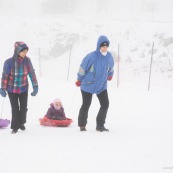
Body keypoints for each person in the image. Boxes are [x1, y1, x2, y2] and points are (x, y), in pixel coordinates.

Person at [75, 35, 114, 132]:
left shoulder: (109, 56)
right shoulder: (91, 56)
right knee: (86, 104)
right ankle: (82, 125)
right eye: (103, 46)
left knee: (105, 104)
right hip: (88, 84)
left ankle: (100, 125)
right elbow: (82, 68)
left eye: (106, 46)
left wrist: (110, 74)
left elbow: (111, 67)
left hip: (101, 85)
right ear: (98, 46)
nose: (104, 48)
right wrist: (79, 79)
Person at [0, 42, 38, 134]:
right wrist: (2, 88)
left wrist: (35, 86)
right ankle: (15, 127)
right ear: (17, 51)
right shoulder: (8, 62)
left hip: (23, 88)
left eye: (26, 51)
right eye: (23, 51)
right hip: (11, 89)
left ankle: (21, 122)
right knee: (15, 108)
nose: (25, 53)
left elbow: (31, 73)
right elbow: (5, 76)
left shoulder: (27, 61)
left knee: (24, 108)